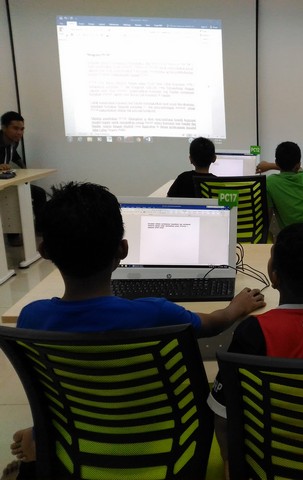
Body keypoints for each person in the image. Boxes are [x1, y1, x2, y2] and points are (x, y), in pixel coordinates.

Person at [8, 181, 266, 479]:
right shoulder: (156, 313)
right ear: (123, 249)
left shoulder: (32, 318)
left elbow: (50, 397)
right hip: (173, 450)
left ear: (44, 251)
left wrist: (39, 431)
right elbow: (212, 324)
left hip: (78, 448)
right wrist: (236, 308)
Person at [208, 222, 303, 479]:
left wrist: (230, 463)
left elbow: (222, 413)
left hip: (268, 452)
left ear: (274, 276)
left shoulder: (253, 331)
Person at [1, 111, 47, 246]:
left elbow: (14, 155)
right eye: (15, 128)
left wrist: (25, 168)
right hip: (2, 186)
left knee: (39, 193)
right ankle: (12, 235)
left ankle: (40, 228)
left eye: (22, 129)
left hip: (8, 181)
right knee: (10, 198)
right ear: (4, 127)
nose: (19, 133)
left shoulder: (14, 142)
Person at [255, 141, 303, 230]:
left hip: (291, 234)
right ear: (299, 164)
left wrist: (268, 166)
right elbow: (299, 169)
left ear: (276, 162)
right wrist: (270, 165)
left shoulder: (270, 182)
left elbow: (267, 218)